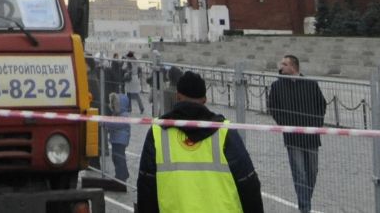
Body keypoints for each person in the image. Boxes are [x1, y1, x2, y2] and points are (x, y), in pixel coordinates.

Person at [135, 69, 263, 213]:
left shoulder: (158, 131)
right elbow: (248, 183)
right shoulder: (224, 130)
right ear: (204, 100)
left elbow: (146, 186)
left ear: (177, 96)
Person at [265, 54, 325, 213]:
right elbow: (273, 107)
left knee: (312, 172)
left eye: (284, 64)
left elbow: (321, 105)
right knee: (299, 173)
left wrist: (316, 125)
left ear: (293, 67)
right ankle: (305, 208)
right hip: (292, 137)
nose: (281, 67)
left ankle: (305, 201)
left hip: (311, 136)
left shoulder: (310, 84)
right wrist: (284, 124)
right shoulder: (277, 86)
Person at [106, 90, 133, 183]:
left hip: (120, 140)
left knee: (119, 157)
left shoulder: (124, 116)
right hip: (116, 140)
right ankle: (122, 173)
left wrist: (106, 123)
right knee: (116, 157)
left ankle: (121, 176)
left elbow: (115, 124)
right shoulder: (117, 114)